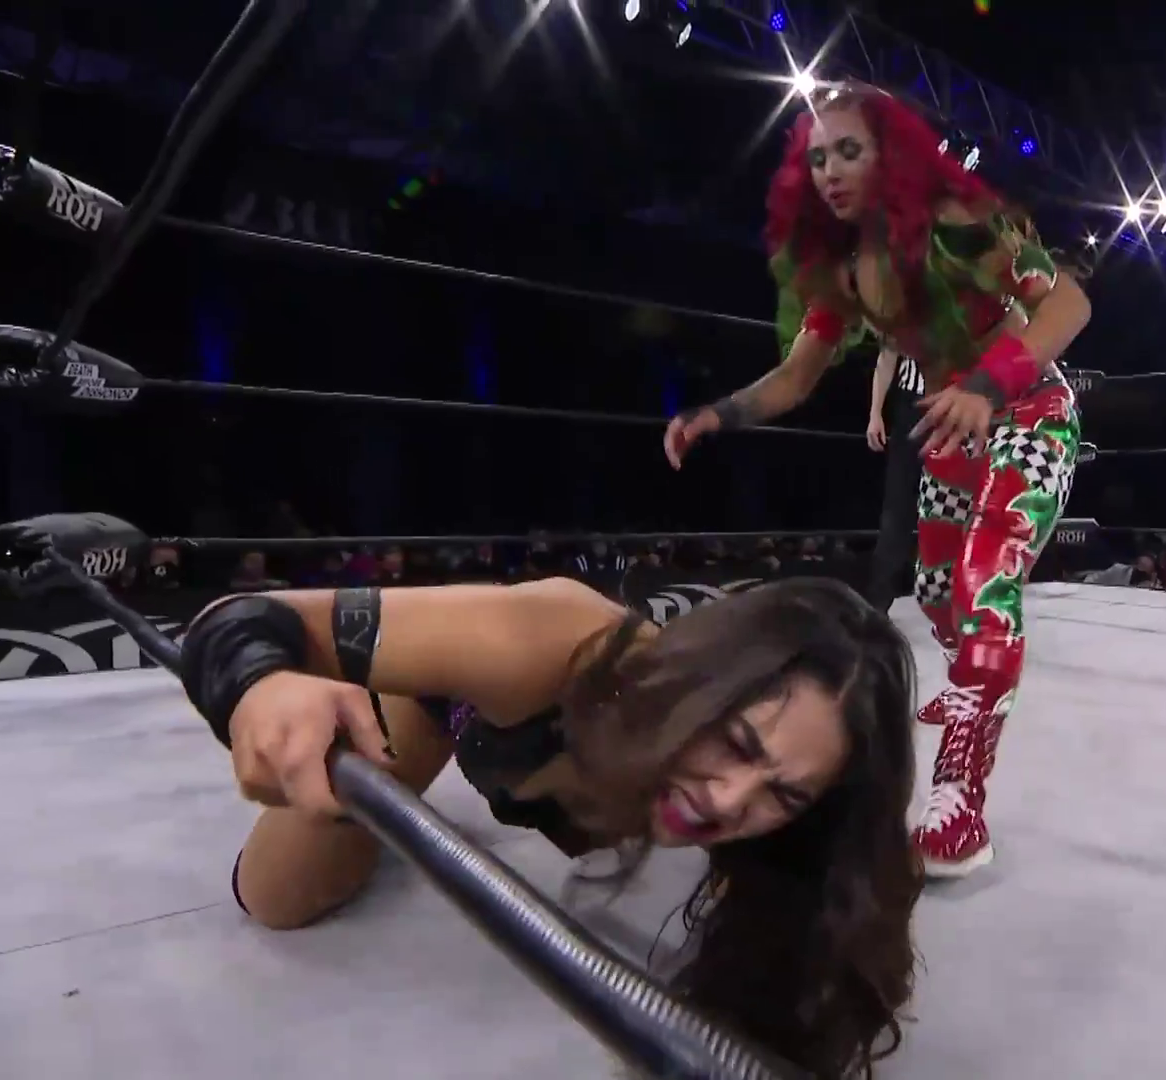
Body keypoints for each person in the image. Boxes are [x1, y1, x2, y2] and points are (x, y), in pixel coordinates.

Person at [179, 575, 921, 1078]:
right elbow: (241, 615)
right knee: (277, 896)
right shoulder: (558, 645)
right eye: (736, 742)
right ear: (707, 684)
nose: (729, 799)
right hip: (450, 708)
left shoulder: (796, 824)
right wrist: (261, 685)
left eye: (784, 793)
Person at [661, 81, 1092, 878]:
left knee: (984, 586)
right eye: (817, 156)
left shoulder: (961, 222)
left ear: (890, 156)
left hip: (1028, 413)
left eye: (848, 151)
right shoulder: (843, 269)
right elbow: (796, 377)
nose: (829, 170)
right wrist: (717, 413)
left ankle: (959, 802)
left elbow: (1068, 304)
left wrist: (987, 384)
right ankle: (973, 680)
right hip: (949, 430)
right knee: (935, 594)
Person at [865, 344, 925, 611]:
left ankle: (956, 604)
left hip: (958, 399)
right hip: (912, 405)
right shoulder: (905, 318)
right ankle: (877, 605)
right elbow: (888, 356)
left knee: (955, 504)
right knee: (897, 507)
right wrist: (875, 413)